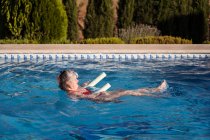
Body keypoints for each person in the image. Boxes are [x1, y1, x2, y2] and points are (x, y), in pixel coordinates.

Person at [57, 70, 168, 102]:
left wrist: (85, 85)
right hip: (101, 99)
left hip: (101, 94)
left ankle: (154, 90)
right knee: (126, 92)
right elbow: (86, 97)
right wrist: (97, 94)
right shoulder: (72, 94)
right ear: (68, 84)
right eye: (75, 78)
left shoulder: (76, 87)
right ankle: (155, 93)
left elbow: (83, 89)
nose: (77, 79)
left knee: (124, 90)